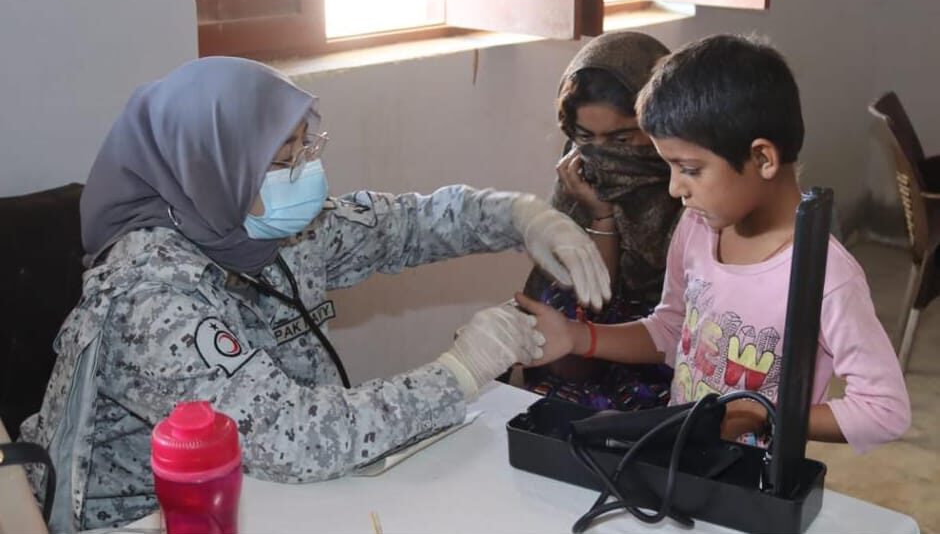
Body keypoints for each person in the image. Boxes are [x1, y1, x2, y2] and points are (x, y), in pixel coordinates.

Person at [20, 56, 610, 531]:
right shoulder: (148, 296)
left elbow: (406, 224)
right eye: (281, 161)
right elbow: (297, 436)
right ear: (212, 170)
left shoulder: (258, 224)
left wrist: (521, 216)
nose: (304, 174)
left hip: (278, 492)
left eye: (306, 148)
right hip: (149, 518)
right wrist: (461, 370)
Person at [518, 34, 911, 451]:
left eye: (689, 169)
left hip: (749, 481)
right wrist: (579, 337)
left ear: (762, 158)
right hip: (683, 457)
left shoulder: (824, 275)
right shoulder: (696, 229)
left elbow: (883, 410)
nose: (674, 189)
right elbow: (670, 330)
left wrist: (760, 412)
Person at [520, 32, 681, 410]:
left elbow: (683, 314)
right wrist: (601, 214)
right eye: (586, 137)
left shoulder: (689, 174)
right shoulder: (576, 173)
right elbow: (591, 299)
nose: (604, 155)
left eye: (622, 139)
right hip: (594, 335)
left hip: (674, 342)